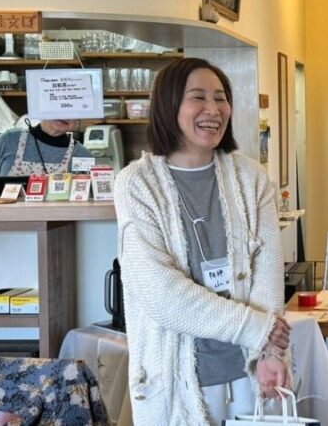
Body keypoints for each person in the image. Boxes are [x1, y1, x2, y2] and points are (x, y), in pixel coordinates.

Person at [114, 58, 290, 425]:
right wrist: (258, 330)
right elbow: (161, 293)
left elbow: (268, 271)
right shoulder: (137, 184)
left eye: (220, 98)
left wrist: (269, 351)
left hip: (248, 373)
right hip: (174, 380)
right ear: (169, 106)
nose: (213, 109)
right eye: (198, 97)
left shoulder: (251, 177)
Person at [0, 119, 92, 176]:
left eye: (72, 110)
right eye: (56, 107)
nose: (64, 115)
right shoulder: (9, 140)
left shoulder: (82, 155)